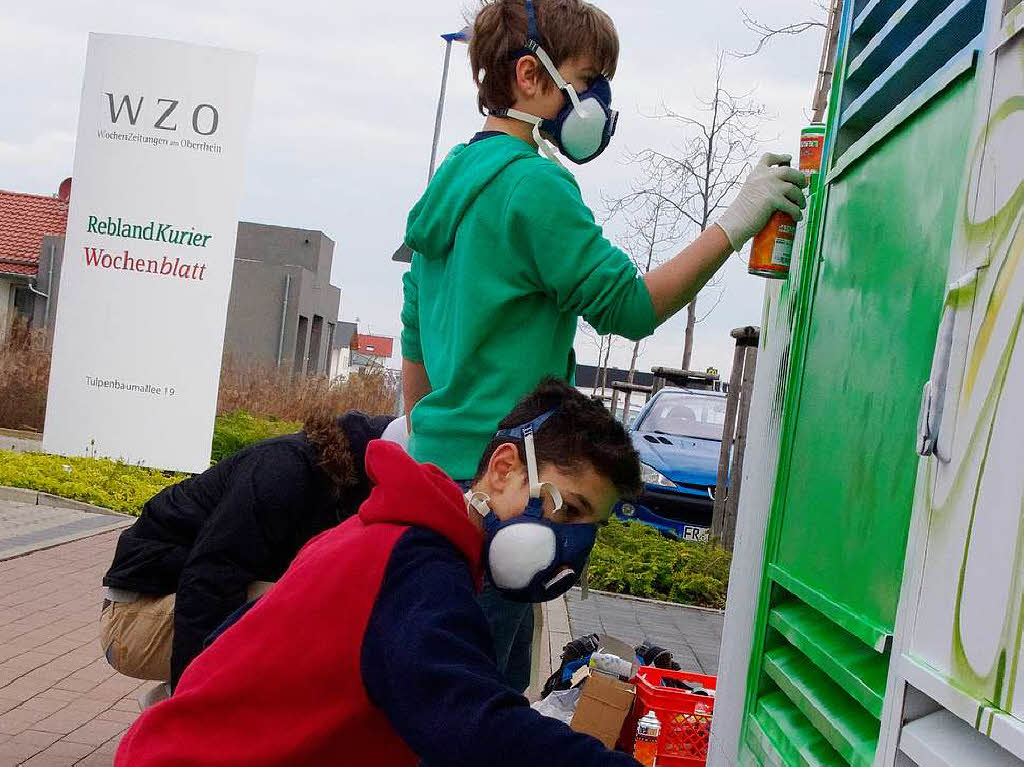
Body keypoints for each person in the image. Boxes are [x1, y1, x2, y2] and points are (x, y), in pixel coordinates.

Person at [400, 0, 807, 690]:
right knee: (473, 715)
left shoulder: (450, 185)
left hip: (435, 486)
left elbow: (414, 351)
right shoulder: (532, 185)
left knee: (436, 690)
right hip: (510, 496)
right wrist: (736, 223)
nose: (596, 101)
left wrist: (438, 445)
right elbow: (631, 305)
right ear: (530, 76)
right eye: (587, 79)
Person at [115, 378, 645, 767]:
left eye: (586, 527)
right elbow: (473, 727)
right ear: (504, 468)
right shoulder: (418, 567)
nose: (569, 543)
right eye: (565, 509)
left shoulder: (394, 538)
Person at [99, 410, 393, 692]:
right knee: (318, 611)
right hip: (134, 618)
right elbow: (209, 578)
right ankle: (189, 709)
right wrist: (192, 707)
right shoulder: (284, 469)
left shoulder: (343, 480)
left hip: (178, 605)